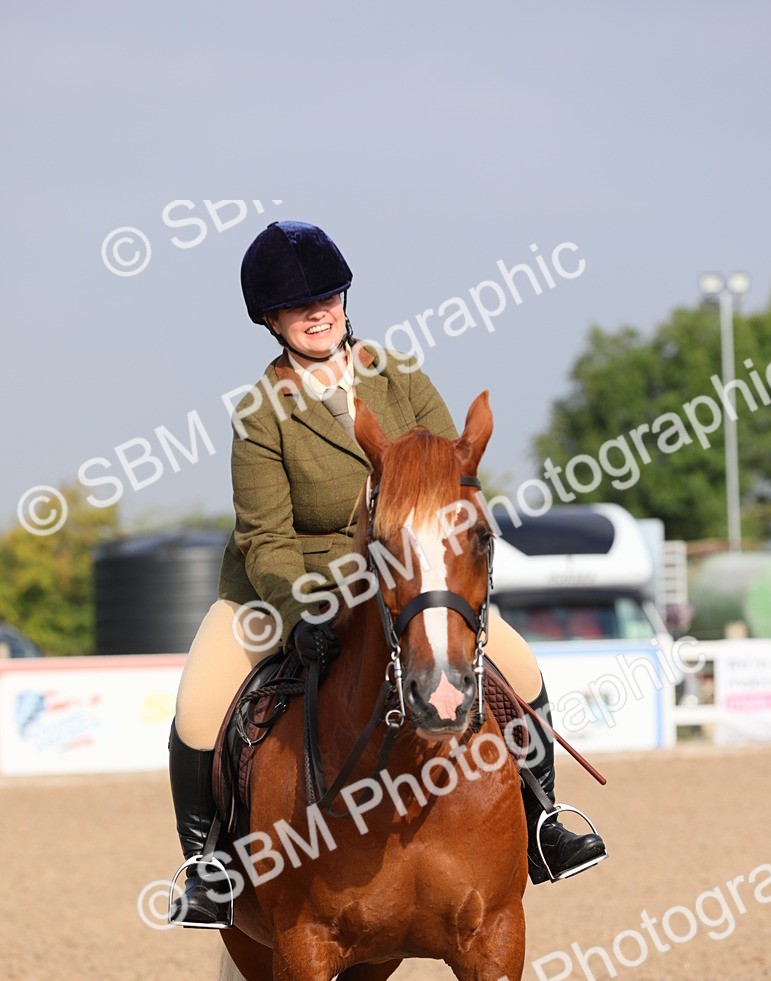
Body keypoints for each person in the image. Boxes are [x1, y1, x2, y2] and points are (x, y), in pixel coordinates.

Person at [167, 220, 606, 927]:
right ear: (271, 320)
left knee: (519, 672)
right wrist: (305, 607)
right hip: (281, 591)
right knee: (198, 706)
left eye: (328, 298)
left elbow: (457, 474)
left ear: (344, 299)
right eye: (297, 307)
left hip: (408, 580)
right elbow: (267, 539)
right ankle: (208, 864)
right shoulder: (260, 414)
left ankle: (546, 822)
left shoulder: (401, 376)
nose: (318, 314)